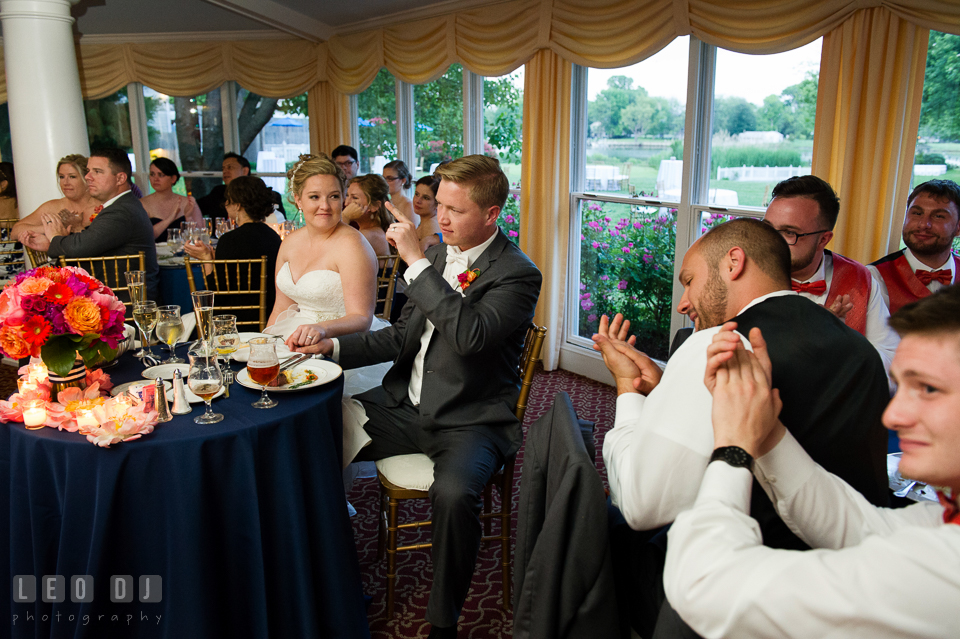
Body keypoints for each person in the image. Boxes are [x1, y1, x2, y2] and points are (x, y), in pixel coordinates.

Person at [596, 218, 890, 636]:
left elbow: (643, 505)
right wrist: (666, 394)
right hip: (848, 590)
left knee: (607, 525)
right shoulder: (860, 349)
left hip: (741, 593)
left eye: (689, 280)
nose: (683, 302)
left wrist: (629, 392)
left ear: (734, 262)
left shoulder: (720, 345)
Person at [295, 155, 542, 638]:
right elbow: (400, 337)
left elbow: (469, 335)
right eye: (440, 206)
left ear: (491, 214)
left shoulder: (516, 273)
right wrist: (334, 346)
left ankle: (443, 619)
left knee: (453, 495)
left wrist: (413, 260)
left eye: (455, 209)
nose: (441, 218)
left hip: (469, 420)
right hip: (404, 408)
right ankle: (321, 576)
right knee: (311, 433)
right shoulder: (440, 256)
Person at [664, 286, 960, 639]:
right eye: (900, 388)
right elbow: (863, 528)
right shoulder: (942, 525)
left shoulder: (946, 568)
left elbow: (705, 584)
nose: (893, 415)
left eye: (927, 389)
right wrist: (767, 429)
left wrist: (732, 446)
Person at [252, 154, 392, 403]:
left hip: (340, 346)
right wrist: (265, 348)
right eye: (314, 197)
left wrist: (322, 329)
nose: (325, 206)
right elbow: (282, 307)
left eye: (334, 196)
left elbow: (362, 318)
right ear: (298, 200)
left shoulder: (353, 245)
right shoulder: (290, 243)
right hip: (292, 338)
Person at [763, 175, 898, 374]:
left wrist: (838, 340)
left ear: (823, 239)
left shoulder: (859, 279)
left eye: (789, 232)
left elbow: (892, 362)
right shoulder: (747, 274)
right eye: (767, 228)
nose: (772, 241)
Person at [22, 148, 159, 300]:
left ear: (120, 179)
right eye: (88, 171)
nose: (88, 177)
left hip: (123, 302)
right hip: (112, 296)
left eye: (97, 171)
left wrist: (54, 236)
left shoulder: (121, 211)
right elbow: (90, 242)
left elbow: (81, 246)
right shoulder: (121, 206)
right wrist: (51, 242)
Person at [183, 175, 282, 322]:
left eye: (228, 201)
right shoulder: (274, 237)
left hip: (232, 320)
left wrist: (207, 259)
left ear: (238, 205)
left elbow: (217, 296)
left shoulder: (229, 240)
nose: (226, 205)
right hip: (271, 317)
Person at [869, 179, 960, 314]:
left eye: (938, 216)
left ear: (958, 228)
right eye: (917, 213)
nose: (923, 224)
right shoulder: (874, 277)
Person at [12, 154, 98, 243]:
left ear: (87, 179)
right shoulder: (53, 206)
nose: (65, 182)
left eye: (72, 177)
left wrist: (77, 227)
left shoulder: (101, 205)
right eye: (61, 177)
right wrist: (54, 227)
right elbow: (15, 232)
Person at [196, 152, 282, 219]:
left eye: (230, 167)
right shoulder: (218, 192)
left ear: (245, 171)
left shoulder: (265, 194)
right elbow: (196, 209)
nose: (225, 172)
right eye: (223, 169)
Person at [141, 157, 203, 241]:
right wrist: (170, 218)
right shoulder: (142, 204)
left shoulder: (188, 202)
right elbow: (143, 237)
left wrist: (189, 218)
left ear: (173, 179)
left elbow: (202, 236)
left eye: (161, 175)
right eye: (152, 174)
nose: (155, 179)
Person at [343, 174, 392, 257]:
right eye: (347, 195)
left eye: (354, 198)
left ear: (374, 206)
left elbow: (332, 252)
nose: (346, 203)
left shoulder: (368, 235)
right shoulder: (369, 231)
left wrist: (344, 217)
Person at [383, 159, 418, 227]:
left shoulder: (410, 206)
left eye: (390, 178)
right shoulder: (387, 203)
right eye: (384, 178)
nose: (385, 182)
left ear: (403, 180)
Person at [414, 174, 442, 252]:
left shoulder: (430, 226)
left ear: (437, 203)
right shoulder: (425, 222)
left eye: (426, 198)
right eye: (417, 194)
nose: (417, 201)